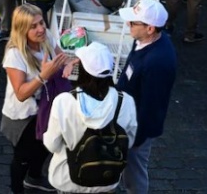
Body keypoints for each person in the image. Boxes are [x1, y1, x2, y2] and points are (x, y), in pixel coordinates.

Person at [43, 42, 138, 193]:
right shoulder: (126, 102)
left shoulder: (64, 101)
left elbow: (52, 145)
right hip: (106, 181)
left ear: (82, 70)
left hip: (68, 180)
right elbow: (129, 142)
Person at [1, 4, 68, 194]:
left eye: (41, 23)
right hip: (24, 117)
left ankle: (34, 178)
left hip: (47, 109)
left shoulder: (47, 38)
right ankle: (17, 189)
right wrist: (43, 76)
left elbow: (61, 57)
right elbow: (21, 93)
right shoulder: (15, 54)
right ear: (22, 30)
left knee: (47, 146)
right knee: (22, 157)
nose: (40, 29)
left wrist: (71, 62)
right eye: (33, 26)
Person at [116, 0, 177, 194]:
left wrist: (136, 139)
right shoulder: (143, 40)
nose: (129, 24)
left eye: (133, 22)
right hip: (128, 119)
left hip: (137, 129)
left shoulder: (157, 62)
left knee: (135, 172)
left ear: (150, 28)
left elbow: (151, 107)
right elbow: (130, 68)